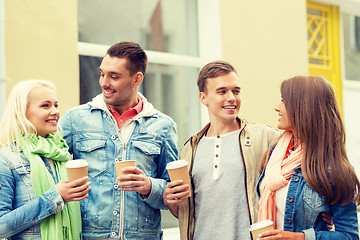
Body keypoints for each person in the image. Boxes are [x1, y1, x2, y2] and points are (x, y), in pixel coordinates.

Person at [60, 41, 178, 239]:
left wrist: (150, 187)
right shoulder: (75, 120)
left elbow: (175, 196)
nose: (104, 82)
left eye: (114, 76)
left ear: (137, 78)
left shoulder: (163, 126)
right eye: (102, 74)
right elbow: (47, 169)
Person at [163, 60, 280, 240]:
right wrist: (171, 201)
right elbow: (186, 213)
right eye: (222, 91)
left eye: (236, 91)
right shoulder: (189, 149)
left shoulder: (264, 137)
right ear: (203, 98)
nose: (231, 97)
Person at [257, 76, 360, 240]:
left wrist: (299, 237)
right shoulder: (276, 152)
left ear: (303, 108)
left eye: (284, 101)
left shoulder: (334, 170)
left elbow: (349, 236)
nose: (277, 107)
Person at [0, 79, 90, 240]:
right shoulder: (6, 158)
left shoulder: (62, 153)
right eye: (45, 105)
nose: (55, 111)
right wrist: (54, 198)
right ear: (22, 111)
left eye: (56, 105)